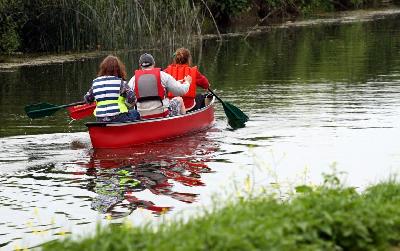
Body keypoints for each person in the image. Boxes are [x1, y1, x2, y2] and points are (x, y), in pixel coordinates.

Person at [128, 53, 191, 119]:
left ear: (140, 66)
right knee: (179, 99)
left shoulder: (133, 80)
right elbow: (181, 91)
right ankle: (182, 125)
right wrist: (187, 82)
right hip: (162, 114)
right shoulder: (163, 75)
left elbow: (129, 102)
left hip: (141, 116)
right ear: (154, 64)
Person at [84, 55, 140, 122]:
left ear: (103, 68)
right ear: (118, 69)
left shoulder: (95, 83)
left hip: (100, 120)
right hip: (118, 118)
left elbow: (87, 99)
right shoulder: (121, 83)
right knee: (135, 113)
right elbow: (132, 99)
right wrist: (127, 102)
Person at [164, 47, 210, 112]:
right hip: (189, 107)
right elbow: (206, 84)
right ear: (188, 59)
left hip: (172, 106)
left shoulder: (166, 71)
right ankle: (204, 116)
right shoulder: (193, 72)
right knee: (203, 96)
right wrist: (207, 85)